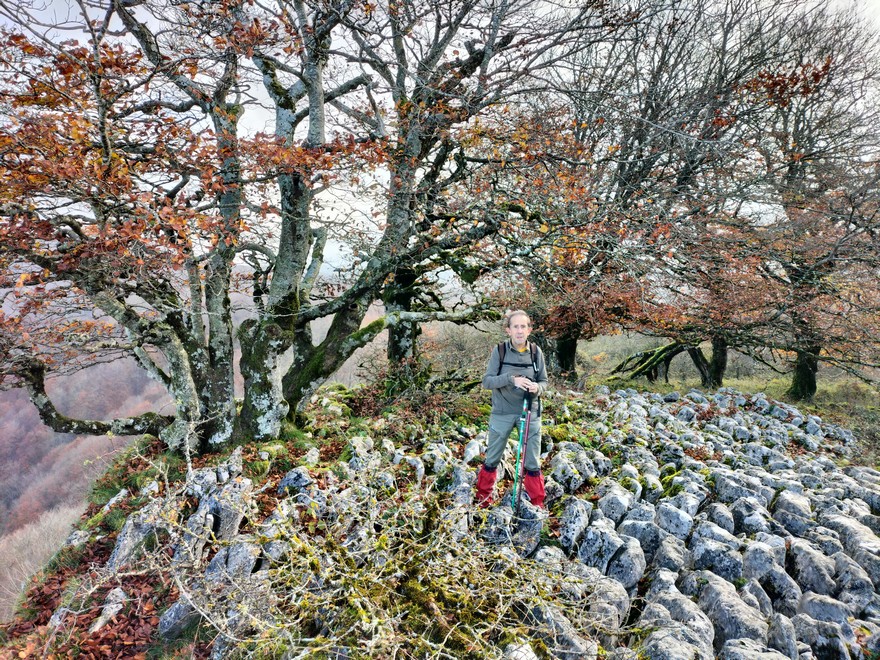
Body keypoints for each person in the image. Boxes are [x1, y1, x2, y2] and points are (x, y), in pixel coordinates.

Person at [475, 310, 548, 508]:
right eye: (515, 326)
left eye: (523, 326)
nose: (519, 330)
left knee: (532, 462)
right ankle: (483, 500)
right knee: (492, 458)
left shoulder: (536, 352)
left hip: (530, 411)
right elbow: (487, 381)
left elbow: (544, 381)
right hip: (502, 413)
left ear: (529, 330)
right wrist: (511, 380)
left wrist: (537, 388)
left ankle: (537, 505)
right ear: (508, 330)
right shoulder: (499, 351)